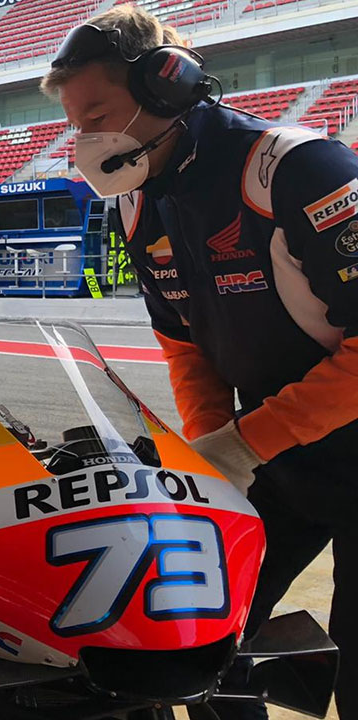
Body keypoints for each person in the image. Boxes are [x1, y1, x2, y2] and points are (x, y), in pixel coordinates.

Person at [44, 7, 356, 718]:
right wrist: (210, 463)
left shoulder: (299, 169)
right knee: (197, 636)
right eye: (74, 122)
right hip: (285, 452)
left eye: (97, 113)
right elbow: (187, 348)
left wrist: (244, 444)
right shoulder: (135, 206)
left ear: (168, 86)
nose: (85, 138)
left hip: (301, 437)